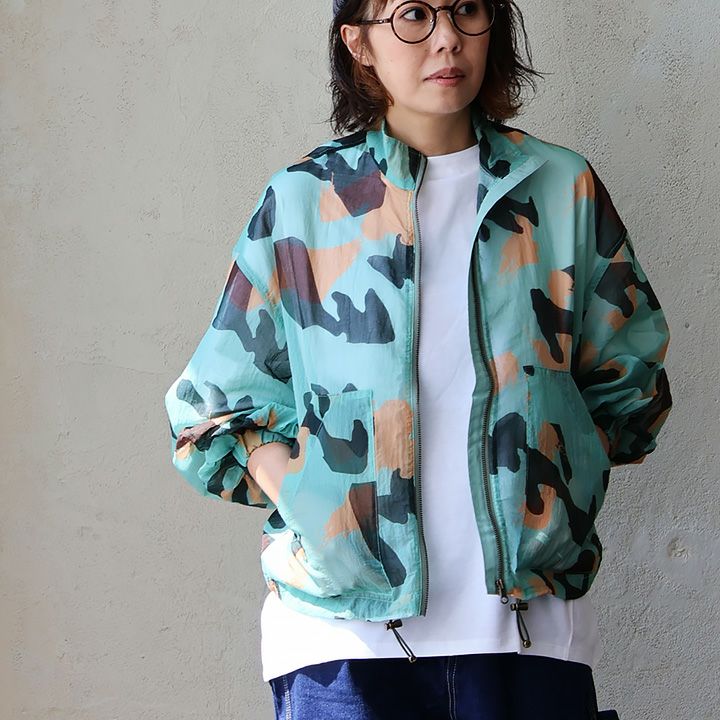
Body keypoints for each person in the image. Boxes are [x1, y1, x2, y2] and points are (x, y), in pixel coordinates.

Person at [163, 1, 672, 718]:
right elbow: (215, 406)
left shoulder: (562, 190)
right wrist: (311, 503)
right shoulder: (303, 202)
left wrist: (560, 483)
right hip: (343, 642)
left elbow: (630, 389)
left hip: (529, 637)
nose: (446, 39)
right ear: (359, 43)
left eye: (466, 10)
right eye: (413, 14)